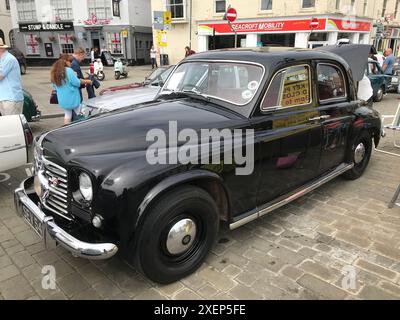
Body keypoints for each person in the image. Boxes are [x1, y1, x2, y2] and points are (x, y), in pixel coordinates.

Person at [51, 54, 92, 125]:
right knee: (81, 113)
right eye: (70, 61)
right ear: (65, 61)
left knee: (67, 115)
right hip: (72, 99)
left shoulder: (54, 72)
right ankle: (81, 128)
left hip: (63, 100)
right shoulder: (69, 71)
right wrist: (87, 81)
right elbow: (76, 82)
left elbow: (54, 86)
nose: (71, 63)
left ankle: (67, 129)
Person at [0, 38, 24, 115]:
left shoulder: (8, 59)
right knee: (8, 125)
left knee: (13, 125)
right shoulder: (2, 59)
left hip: (11, 99)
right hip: (4, 98)